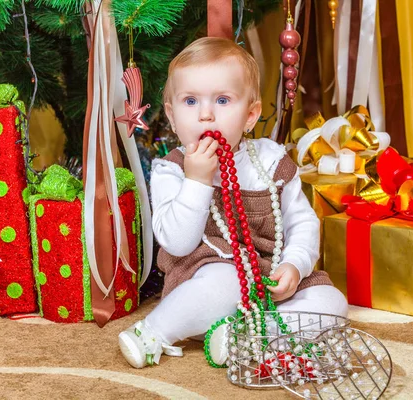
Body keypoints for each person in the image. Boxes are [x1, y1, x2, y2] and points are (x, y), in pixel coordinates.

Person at [119, 37, 347, 369]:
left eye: (223, 100)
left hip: (269, 279)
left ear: (251, 115)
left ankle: (245, 336)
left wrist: (295, 267)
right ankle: (153, 331)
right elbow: (177, 243)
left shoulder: (271, 162)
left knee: (333, 303)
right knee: (224, 285)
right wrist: (197, 181)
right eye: (191, 101)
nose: (206, 115)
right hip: (207, 278)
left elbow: (303, 224)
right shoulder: (172, 170)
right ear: (171, 114)